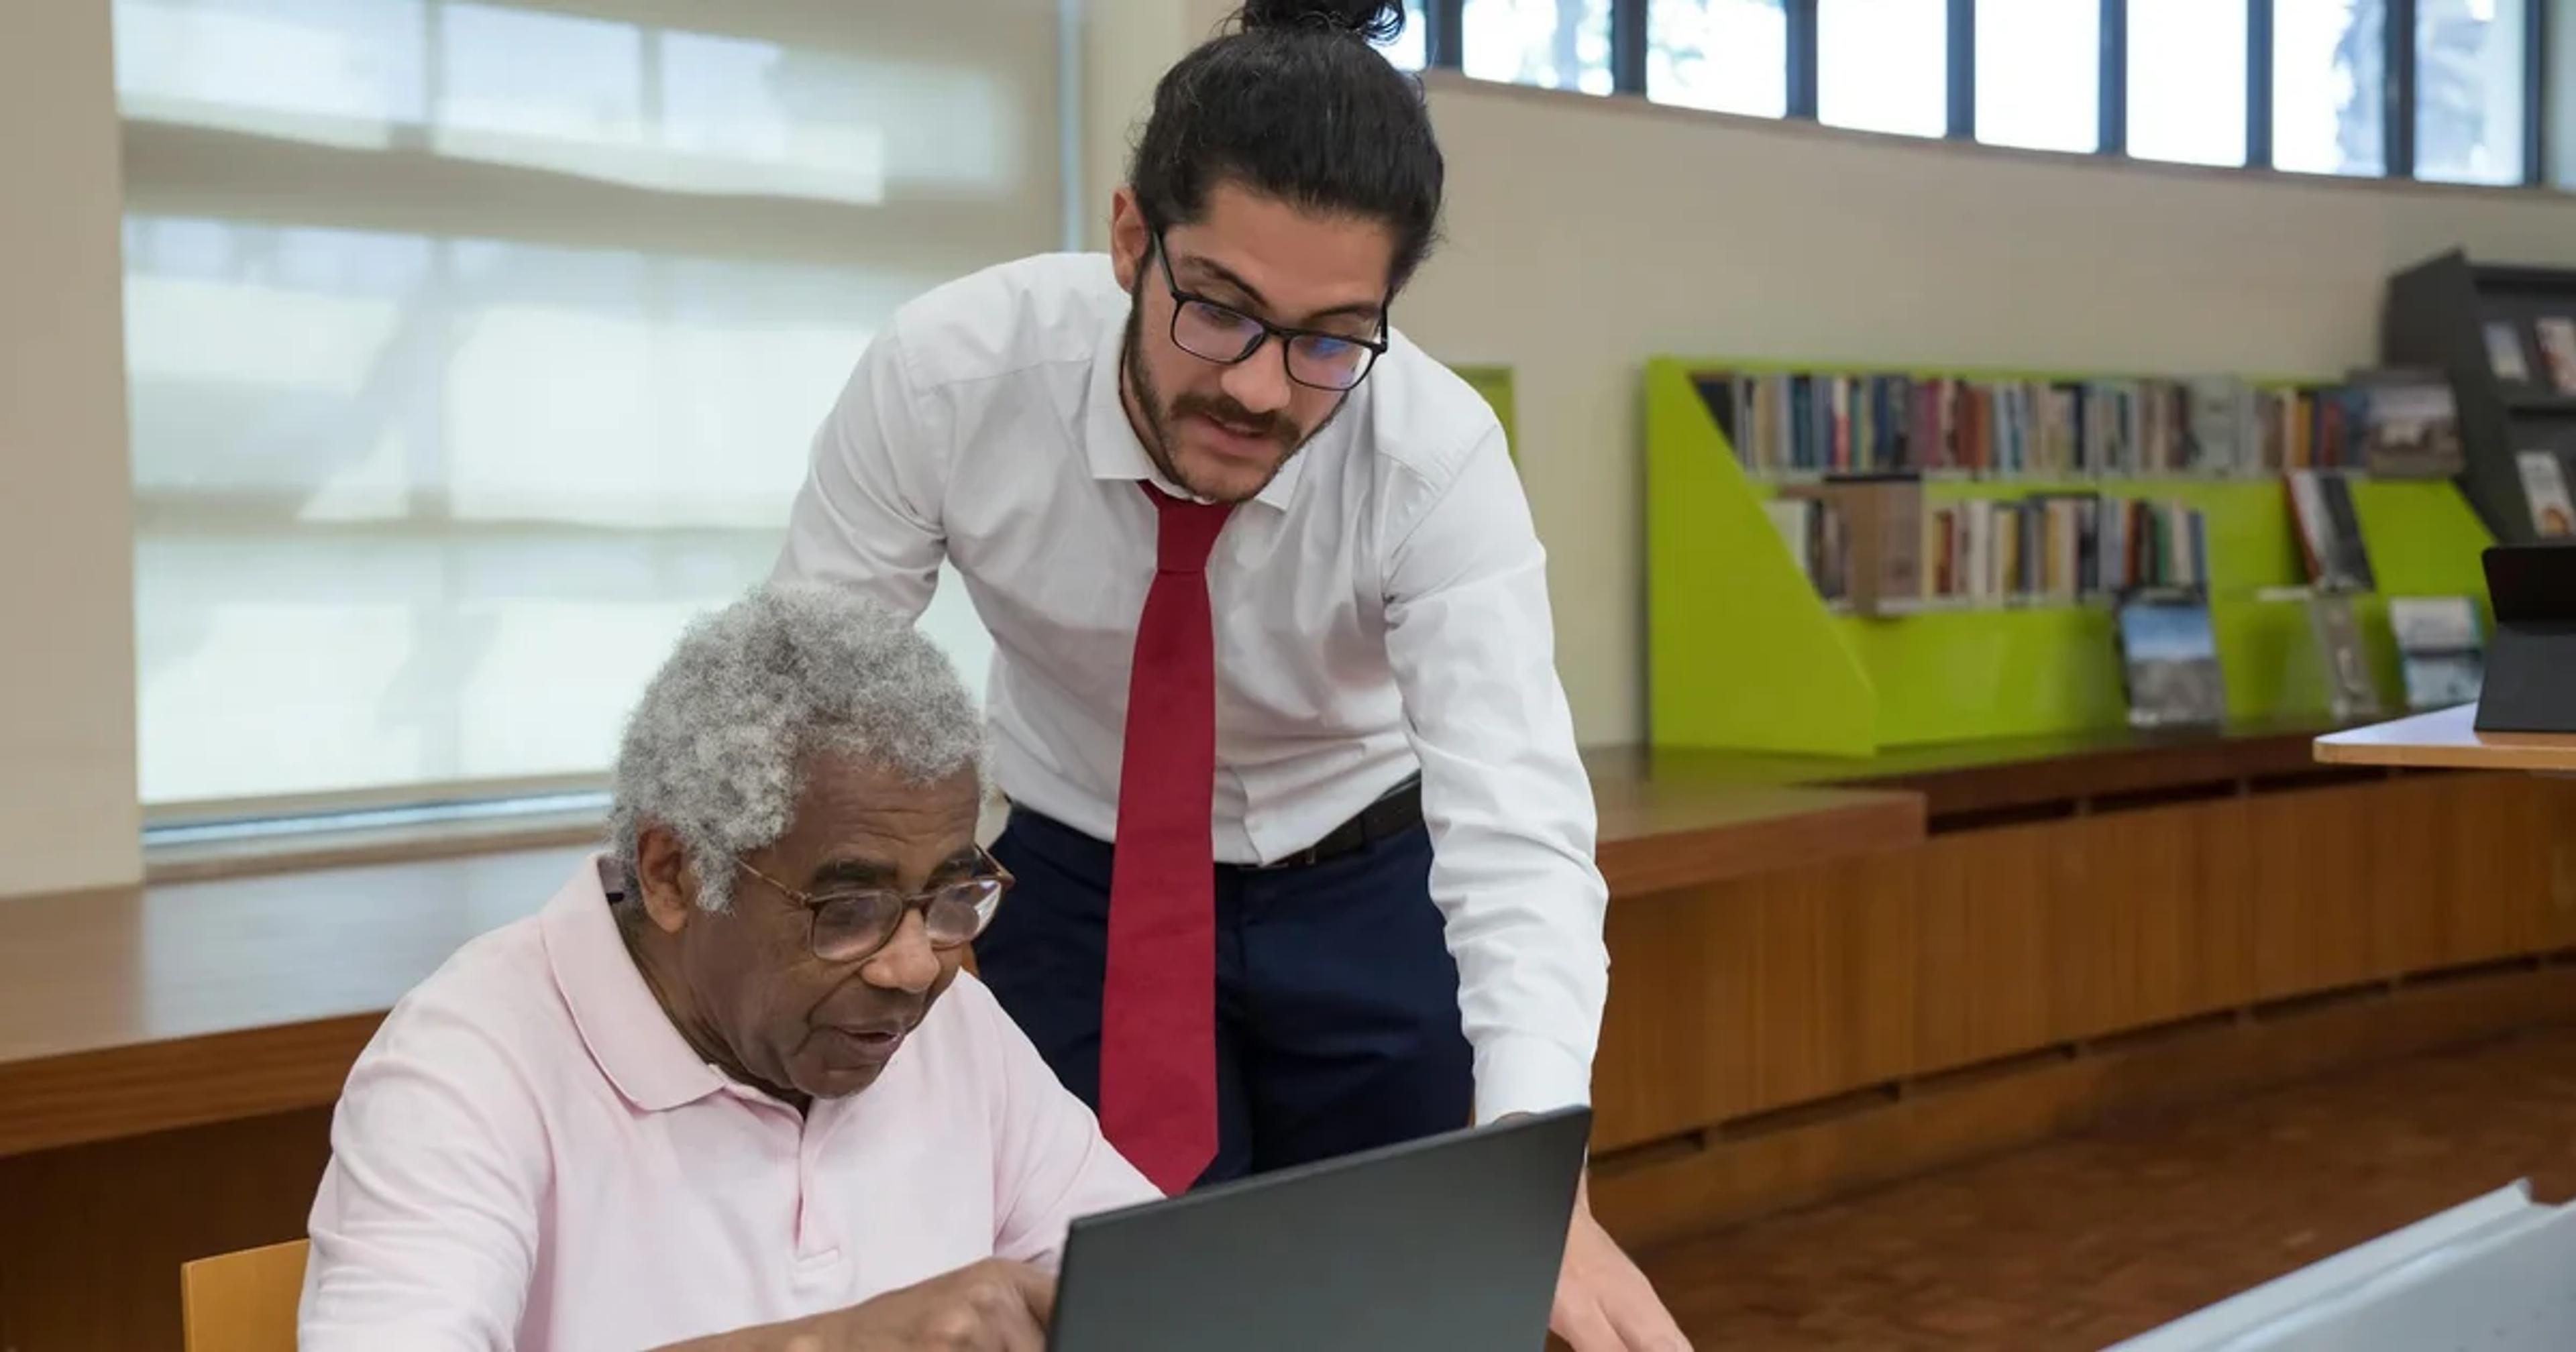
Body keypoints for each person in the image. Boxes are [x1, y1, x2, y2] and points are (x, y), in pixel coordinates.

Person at [771, 2, 1685, 1346]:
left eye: (1328, 339)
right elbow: (812, 696)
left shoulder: (1432, 456)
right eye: (1220, 311)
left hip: (1365, 878)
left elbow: (1518, 828)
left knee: (1407, 1303)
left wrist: (1545, 1170)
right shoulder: (953, 377)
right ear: (1134, 238)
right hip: (1078, 875)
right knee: (1112, 1297)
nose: (1261, 387)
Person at [297, 583, 1158, 1351]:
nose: (913, 968)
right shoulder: (468, 1063)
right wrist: (841, 1342)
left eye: (949, 895)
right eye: (847, 910)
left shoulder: (951, 1023)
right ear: (674, 874)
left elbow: (1161, 1295)